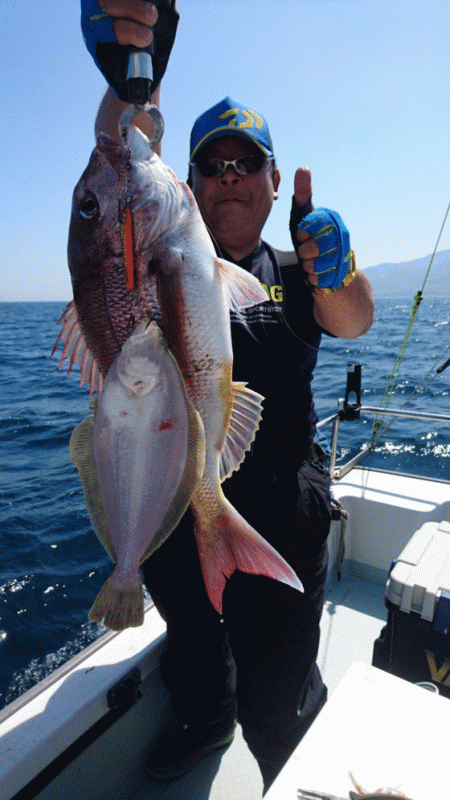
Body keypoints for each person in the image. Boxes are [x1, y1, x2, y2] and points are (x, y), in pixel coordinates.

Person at [81, 1, 374, 792]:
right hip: (176, 504)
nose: (232, 176)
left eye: (249, 163)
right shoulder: (157, 258)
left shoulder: (298, 272)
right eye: (213, 165)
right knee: (194, 648)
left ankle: (287, 759)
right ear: (188, 183)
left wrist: (339, 270)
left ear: (276, 183)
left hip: (281, 509)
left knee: (280, 693)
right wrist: (135, 69)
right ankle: (205, 719)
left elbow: (354, 320)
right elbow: (119, 156)